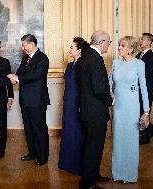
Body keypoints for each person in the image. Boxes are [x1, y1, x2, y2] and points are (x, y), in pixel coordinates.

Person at [109, 36, 150, 183]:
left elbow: (144, 88)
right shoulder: (115, 63)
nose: (119, 48)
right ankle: (118, 174)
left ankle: (130, 175)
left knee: (131, 139)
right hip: (119, 105)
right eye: (119, 45)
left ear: (131, 49)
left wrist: (146, 111)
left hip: (132, 104)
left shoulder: (139, 64)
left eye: (123, 46)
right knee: (119, 138)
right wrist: (111, 93)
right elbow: (108, 83)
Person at [78, 30, 114, 189]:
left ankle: (93, 175)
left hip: (88, 110)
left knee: (92, 146)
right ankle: (87, 184)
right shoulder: (94, 59)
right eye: (109, 42)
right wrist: (110, 100)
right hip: (95, 112)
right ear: (101, 43)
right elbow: (99, 89)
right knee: (94, 148)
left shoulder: (86, 56)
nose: (109, 45)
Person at [8, 34, 50, 166]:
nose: (22, 48)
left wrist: (18, 79)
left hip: (37, 101)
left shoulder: (42, 58)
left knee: (39, 129)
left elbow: (35, 75)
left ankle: (42, 157)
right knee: (29, 128)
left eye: (24, 45)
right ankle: (32, 153)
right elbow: (20, 73)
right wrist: (14, 79)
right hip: (25, 100)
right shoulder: (25, 58)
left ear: (32, 44)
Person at [58, 37, 89, 175]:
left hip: (78, 103)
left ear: (79, 50)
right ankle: (67, 164)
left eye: (72, 47)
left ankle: (77, 166)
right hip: (68, 103)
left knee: (77, 132)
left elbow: (85, 87)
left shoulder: (84, 64)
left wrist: (82, 104)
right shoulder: (70, 65)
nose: (69, 49)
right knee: (68, 131)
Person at [136, 33, 153, 145]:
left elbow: (146, 72)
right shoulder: (138, 54)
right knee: (139, 111)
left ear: (149, 42)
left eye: (142, 39)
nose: (140, 41)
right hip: (138, 88)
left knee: (144, 111)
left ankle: (145, 136)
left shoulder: (152, 56)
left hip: (147, 88)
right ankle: (150, 131)